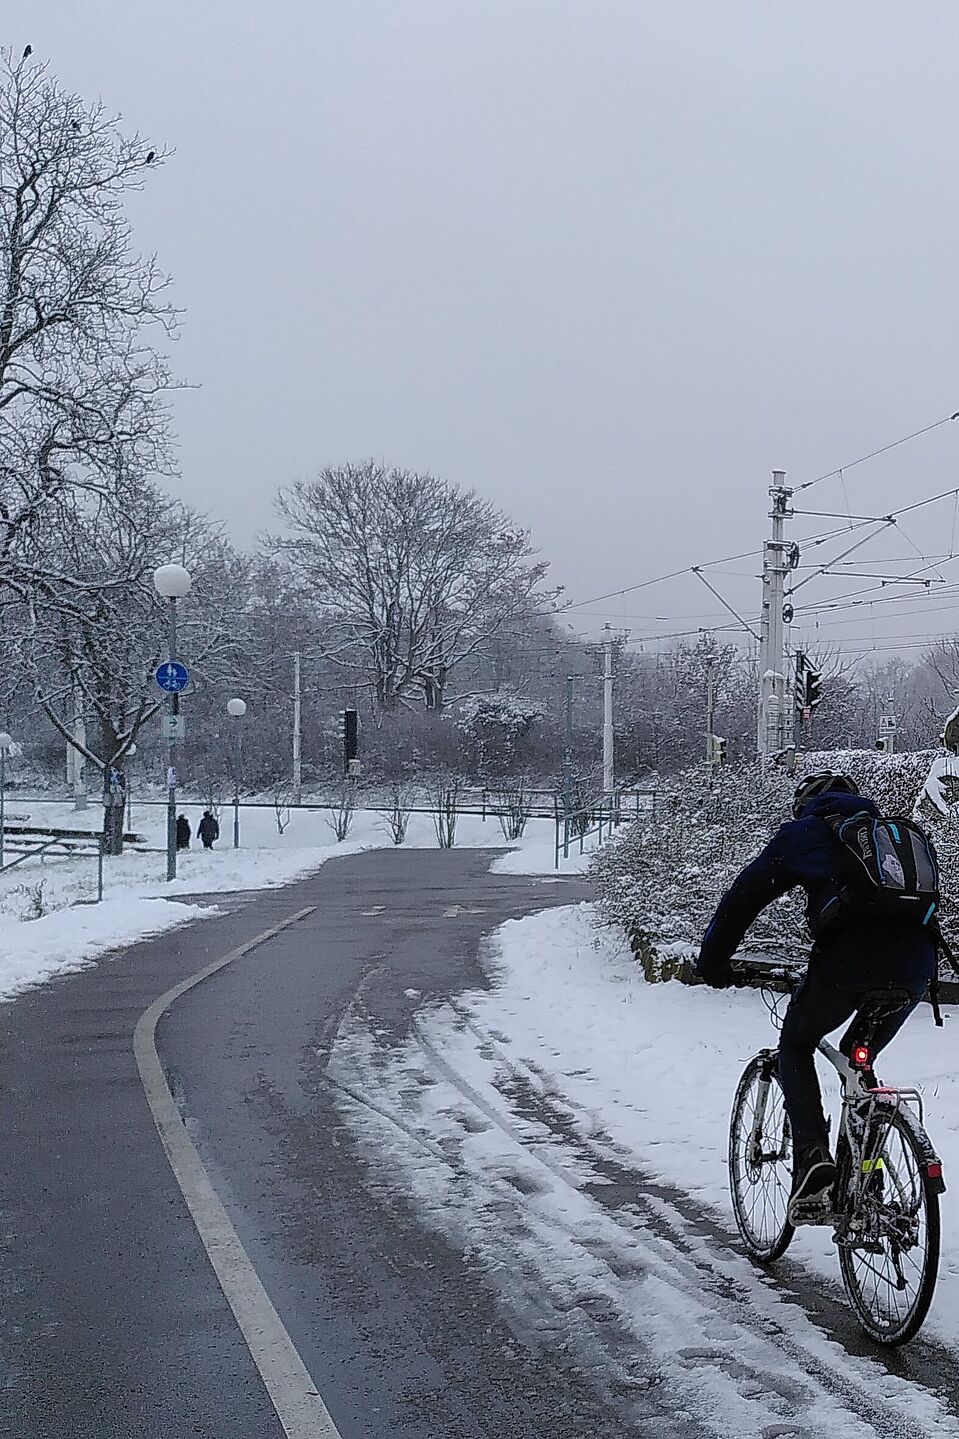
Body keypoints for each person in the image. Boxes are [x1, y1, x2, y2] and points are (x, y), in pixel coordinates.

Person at [697, 772, 937, 1221]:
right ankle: (868, 1183)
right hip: (917, 966)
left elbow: (742, 899)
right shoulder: (887, 838)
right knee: (857, 1058)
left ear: (805, 805)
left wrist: (712, 964)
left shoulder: (803, 835)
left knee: (796, 1043)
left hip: (849, 963)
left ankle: (813, 1163)